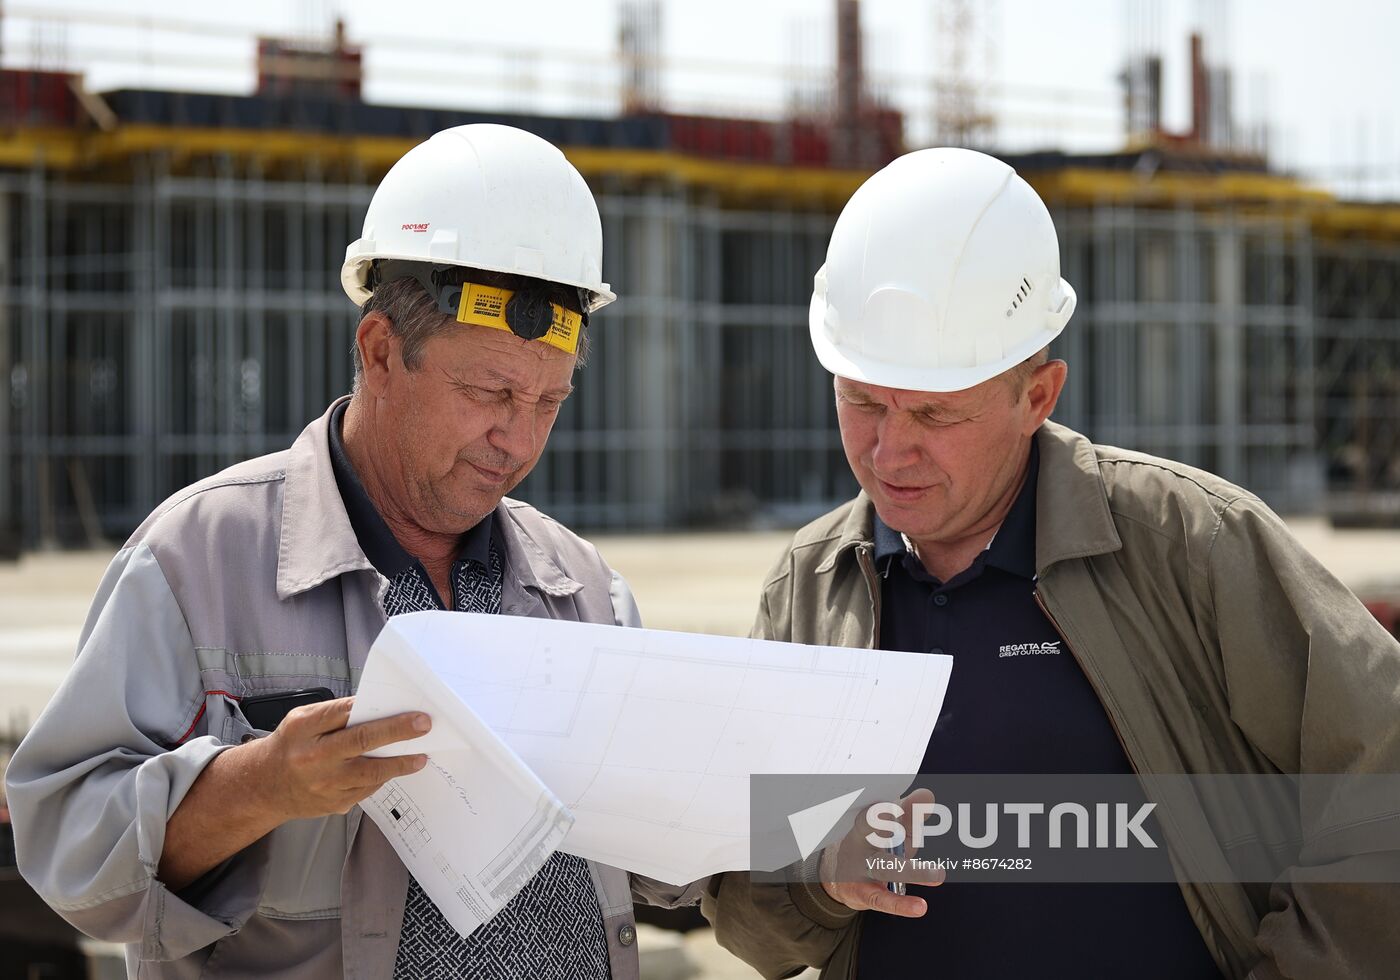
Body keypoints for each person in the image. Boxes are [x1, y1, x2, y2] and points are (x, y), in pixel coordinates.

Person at [5, 124, 699, 979]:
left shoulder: (585, 591)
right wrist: (258, 786)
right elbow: (71, 861)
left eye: (548, 401)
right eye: (487, 392)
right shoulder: (198, 561)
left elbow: (665, 866)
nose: (516, 440)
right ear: (379, 352)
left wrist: (779, 822)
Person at [701, 147, 1400, 979]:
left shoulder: (1187, 544)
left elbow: (1380, 769)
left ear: (1038, 396)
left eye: (933, 412)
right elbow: (746, 919)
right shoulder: (809, 591)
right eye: (861, 401)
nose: (890, 450)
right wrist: (820, 879)